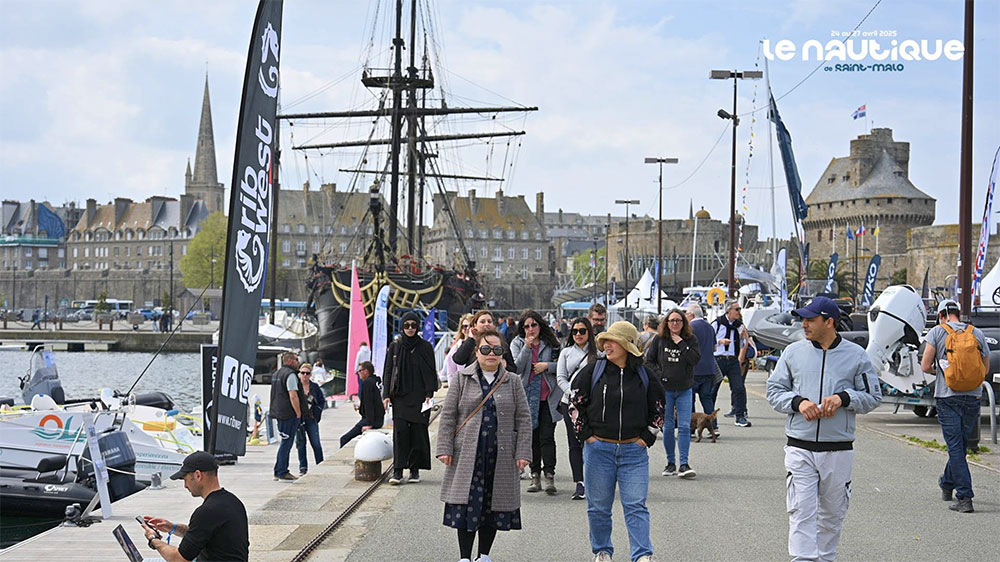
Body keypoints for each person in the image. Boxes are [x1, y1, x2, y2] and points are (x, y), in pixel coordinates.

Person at [765, 296, 882, 562]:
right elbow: (774, 391)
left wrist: (844, 398)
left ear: (829, 322)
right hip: (799, 446)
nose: (803, 324)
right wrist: (798, 402)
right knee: (801, 511)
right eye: (803, 319)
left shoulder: (855, 355)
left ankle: (826, 558)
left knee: (832, 514)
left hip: (838, 449)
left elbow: (873, 396)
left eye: (810, 319)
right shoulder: (793, 352)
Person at [571, 321, 665, 562]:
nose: (607, 345)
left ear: (627, 345)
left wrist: (647, 438)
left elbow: (659, 408)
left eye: (613, 341)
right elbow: (574, 403)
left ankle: (642, 555)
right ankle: (602, 551)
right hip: (598, 450)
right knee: (599, 507)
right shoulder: (594, 370)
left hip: (634, 452)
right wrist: (587, 436)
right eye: (605, 342)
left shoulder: (645, 374)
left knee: (636, 506)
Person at [436, 329, 532, 562]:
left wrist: (523, 452)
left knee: (493, 504)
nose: (491, 354)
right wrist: (444, 448)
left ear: (502, 353)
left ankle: (484, 555)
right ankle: (465, 557)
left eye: (497, 350)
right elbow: (448, 415)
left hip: (501, 453)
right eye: (486, 349)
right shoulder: (461, 378)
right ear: (477, 352)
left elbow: (523, 418)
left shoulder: (513, 380)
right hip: (468, 453)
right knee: (466, 502)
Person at [920, 299, 990, 513]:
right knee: (960, 445)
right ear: (959, 313)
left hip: (947, 397)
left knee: (955, 446)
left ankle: (964, 496)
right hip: (973, 397)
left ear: (941, 315)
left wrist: (941, 373)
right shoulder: (976, 332)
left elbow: (925, 365)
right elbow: (985, 369)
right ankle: (946, 483)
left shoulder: (937, 332)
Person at [141, 451, 249, 562]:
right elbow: (202, 534)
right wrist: (173, 528)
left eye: (185, 479)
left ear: (198, 475)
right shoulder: (233, 502)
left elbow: (179, 559)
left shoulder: (207, 511)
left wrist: (153, 539)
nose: (185, 486)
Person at [510, 309, 562, 495]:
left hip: (548, 397)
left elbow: (562, 366)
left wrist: (547, 366)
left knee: (547, 437)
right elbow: (516, 368)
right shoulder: (517, 343)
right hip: (526, 397)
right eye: (526, 326)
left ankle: (549, 475)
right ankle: (535, 475)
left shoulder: (552, 344)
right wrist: (527, 347)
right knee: (532, 437)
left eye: (534, 325)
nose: (531, 329)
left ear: (540, 325)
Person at [382, 311, 438, 484]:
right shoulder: (395, 347)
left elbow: (430, 371)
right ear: (402, 327)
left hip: (420, 398)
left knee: (418, 433)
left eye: (414, 325)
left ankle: (414, 470)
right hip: (400, 397)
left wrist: (430, 393)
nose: (410, 329)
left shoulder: (425, 347)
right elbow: (388, 371)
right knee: (400, 433)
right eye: (407, 325)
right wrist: (386, 395)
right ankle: (397, 471)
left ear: (418, 326)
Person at [646, 308, 701, 479]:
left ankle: (684, 464)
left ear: (684, 323)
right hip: (665, 390)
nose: (675, 323)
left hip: (684, 388)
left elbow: (695, 359)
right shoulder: (659, 340)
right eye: (672, 321)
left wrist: (680, 343)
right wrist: (660, 375)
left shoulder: (690, 339)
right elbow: (649, 361)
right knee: (668, 427)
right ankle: (670, 463)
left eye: (678, 320)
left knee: (684, 427)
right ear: (666, 323)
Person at [556, 317, 598, 500]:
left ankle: (593, 481)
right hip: (570, 403)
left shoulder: (598, 353)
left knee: (592, 441)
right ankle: (579, 482)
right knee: (574, 443)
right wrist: (572, 394)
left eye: (582, 331)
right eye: (575, 331)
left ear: (589, 332)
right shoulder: (566, 352)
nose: (578, 334)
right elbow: (560, 377)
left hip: (592, 403)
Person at [713, 301, 751, 427]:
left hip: (733, 360)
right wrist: (720, 341)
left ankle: (740, 416)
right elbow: (709, 340)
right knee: (713, 390)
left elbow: (743, 345)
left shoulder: (739, 326)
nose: (739, 312)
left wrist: (743, 337)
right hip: (719, 359)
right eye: (737, 309)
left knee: (738, 388)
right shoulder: (717, 323)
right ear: (729, 311)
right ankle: (711, 418)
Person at [686, 303, 720, 436]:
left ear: (691, 315)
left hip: (695, 369)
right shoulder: (710, 327)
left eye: (686, 314)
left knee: (691, 398)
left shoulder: (690, 328)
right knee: (707, 398)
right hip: (709, 368)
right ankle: (714, 427)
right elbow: (715, 348)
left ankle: (692, 428)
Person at [269, 352, 303, 482]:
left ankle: (279, 470)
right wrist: (298, 413)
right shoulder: (290, 375)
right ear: (289, 361)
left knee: (285, 441)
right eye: (296, 359)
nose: (298, 362)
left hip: (279, 413)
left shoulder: (277, 374)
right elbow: (293, 395)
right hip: (288, 414)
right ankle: (282, 471)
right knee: (286, 443)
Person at [340, 361, 385, 447]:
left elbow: (369, 405)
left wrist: (369, 424)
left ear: (366, 371)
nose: (358, 374)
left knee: (344, 439)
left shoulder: (367, 383)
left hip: (372, 420)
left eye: (360, 371)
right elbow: (374, 401)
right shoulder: (375, 381)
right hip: (379, 418)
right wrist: (361, 407)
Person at [295, 363, 325, 476]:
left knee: (316, 443)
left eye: (307, 373)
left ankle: (320, 464)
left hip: (311, 419)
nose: (305, 375)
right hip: (299, 419)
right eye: (303, 373)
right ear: (299, 374)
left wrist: (317, 413)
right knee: (300, 443)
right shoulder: (296, 387)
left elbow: (321, 401)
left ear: (310, 375)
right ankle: (303, 467)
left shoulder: (314, 387)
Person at [443, 314, 474, 387]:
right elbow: (451, 372)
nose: (467, 329)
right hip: (462, 386)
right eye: (465, 326)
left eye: (470, 326)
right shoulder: (456, 347)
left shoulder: (481, 345)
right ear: (461, 329)